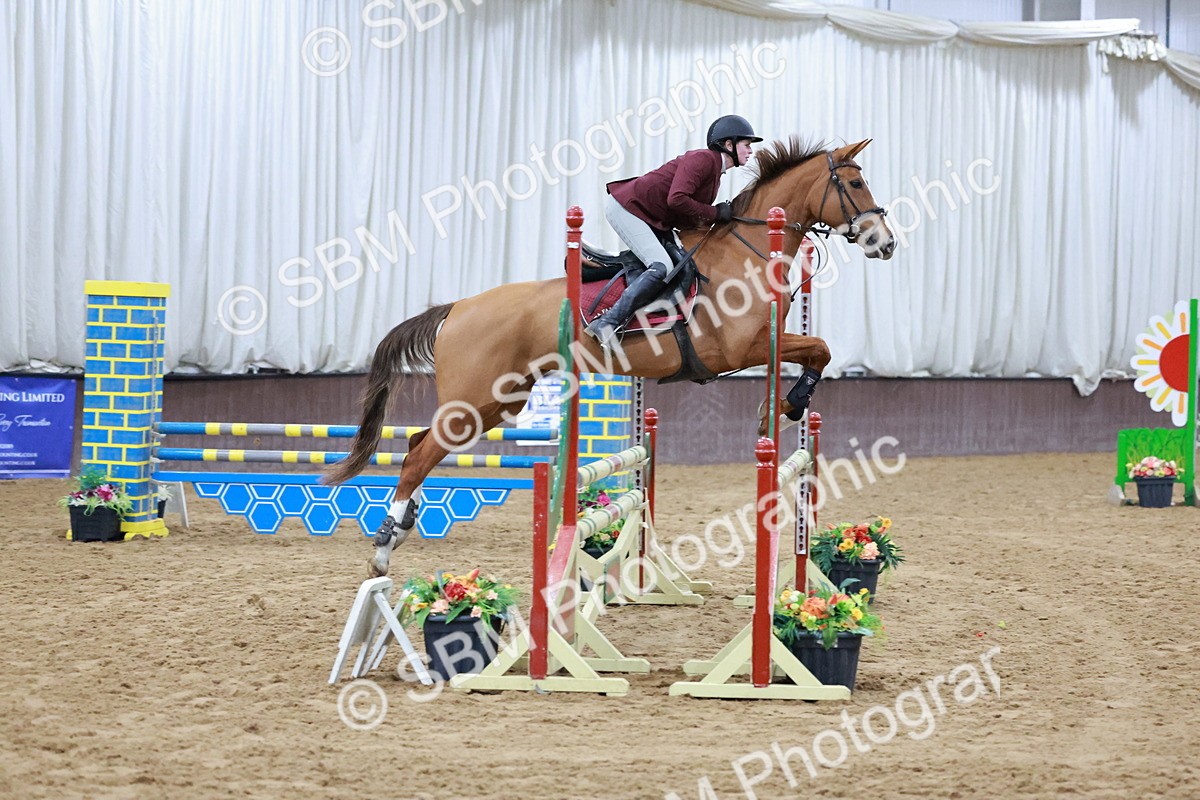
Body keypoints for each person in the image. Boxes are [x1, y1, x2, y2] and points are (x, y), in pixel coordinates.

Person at [585, 115, 763, 345]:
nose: (751, 151)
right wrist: (716, 213)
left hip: (651, 216)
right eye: (746, 145)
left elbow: (687, 214)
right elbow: (677, 199)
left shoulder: (715, 174)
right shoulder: (703, 159)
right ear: (728, 145)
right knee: (661, 266)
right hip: (627, 208)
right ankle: (607, 322)